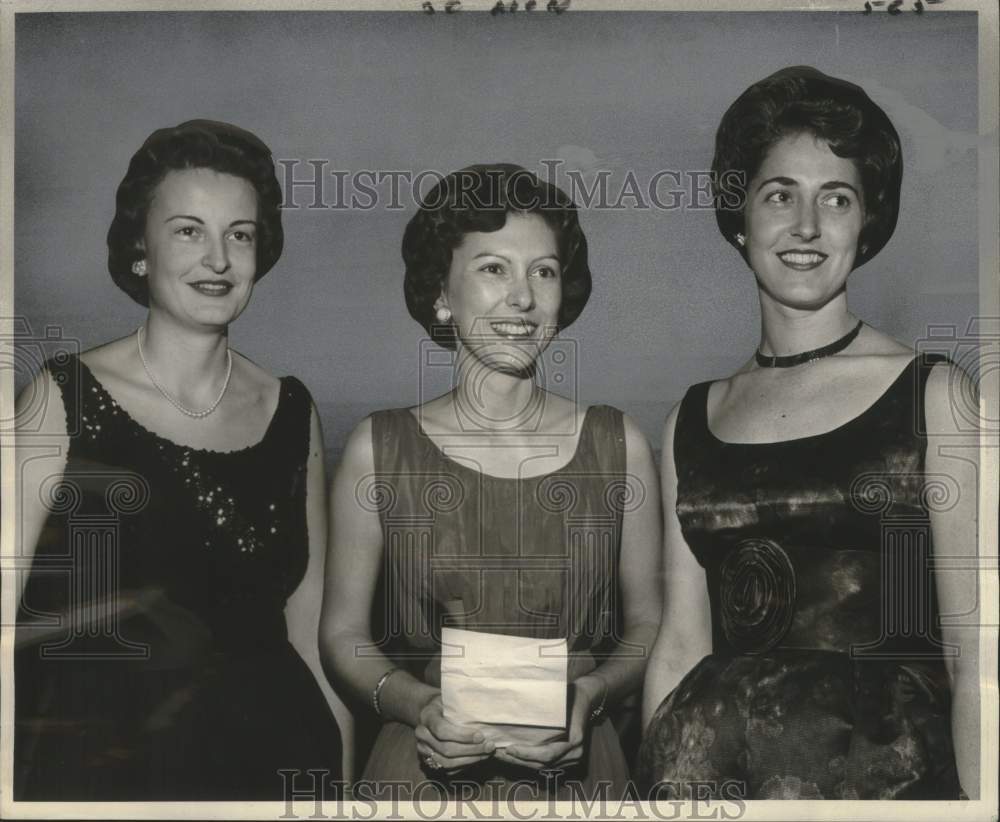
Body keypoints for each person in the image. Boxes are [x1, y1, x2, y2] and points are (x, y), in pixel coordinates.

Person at [637, 66, 980, 801]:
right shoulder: (689, 421)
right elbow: (679, 648)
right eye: (778, 195)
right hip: (709, 784)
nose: (806, 227)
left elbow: (978, 651)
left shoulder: (937, 395)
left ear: (866, 223)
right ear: (740, 219)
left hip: (889, 787)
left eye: (837, 198)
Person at [13, 120, 342, 800]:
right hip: (103, 776)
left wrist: (337, 796)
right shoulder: (62, 398)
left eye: (240, 234)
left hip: (273, 768)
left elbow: (311, 645)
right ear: (141, 246)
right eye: (189, 230)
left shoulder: (292, 413)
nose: (218, 259)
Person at [320, 164, 662, 799]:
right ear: (441, 294)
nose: (523, 298)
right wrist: (416, 705)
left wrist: (592, 695)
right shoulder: (379, 447)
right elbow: (343, 636)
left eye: (544, 270)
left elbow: (648, 625)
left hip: (582, 776)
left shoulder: (620, 446)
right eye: (493, 268)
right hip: (422, 772)